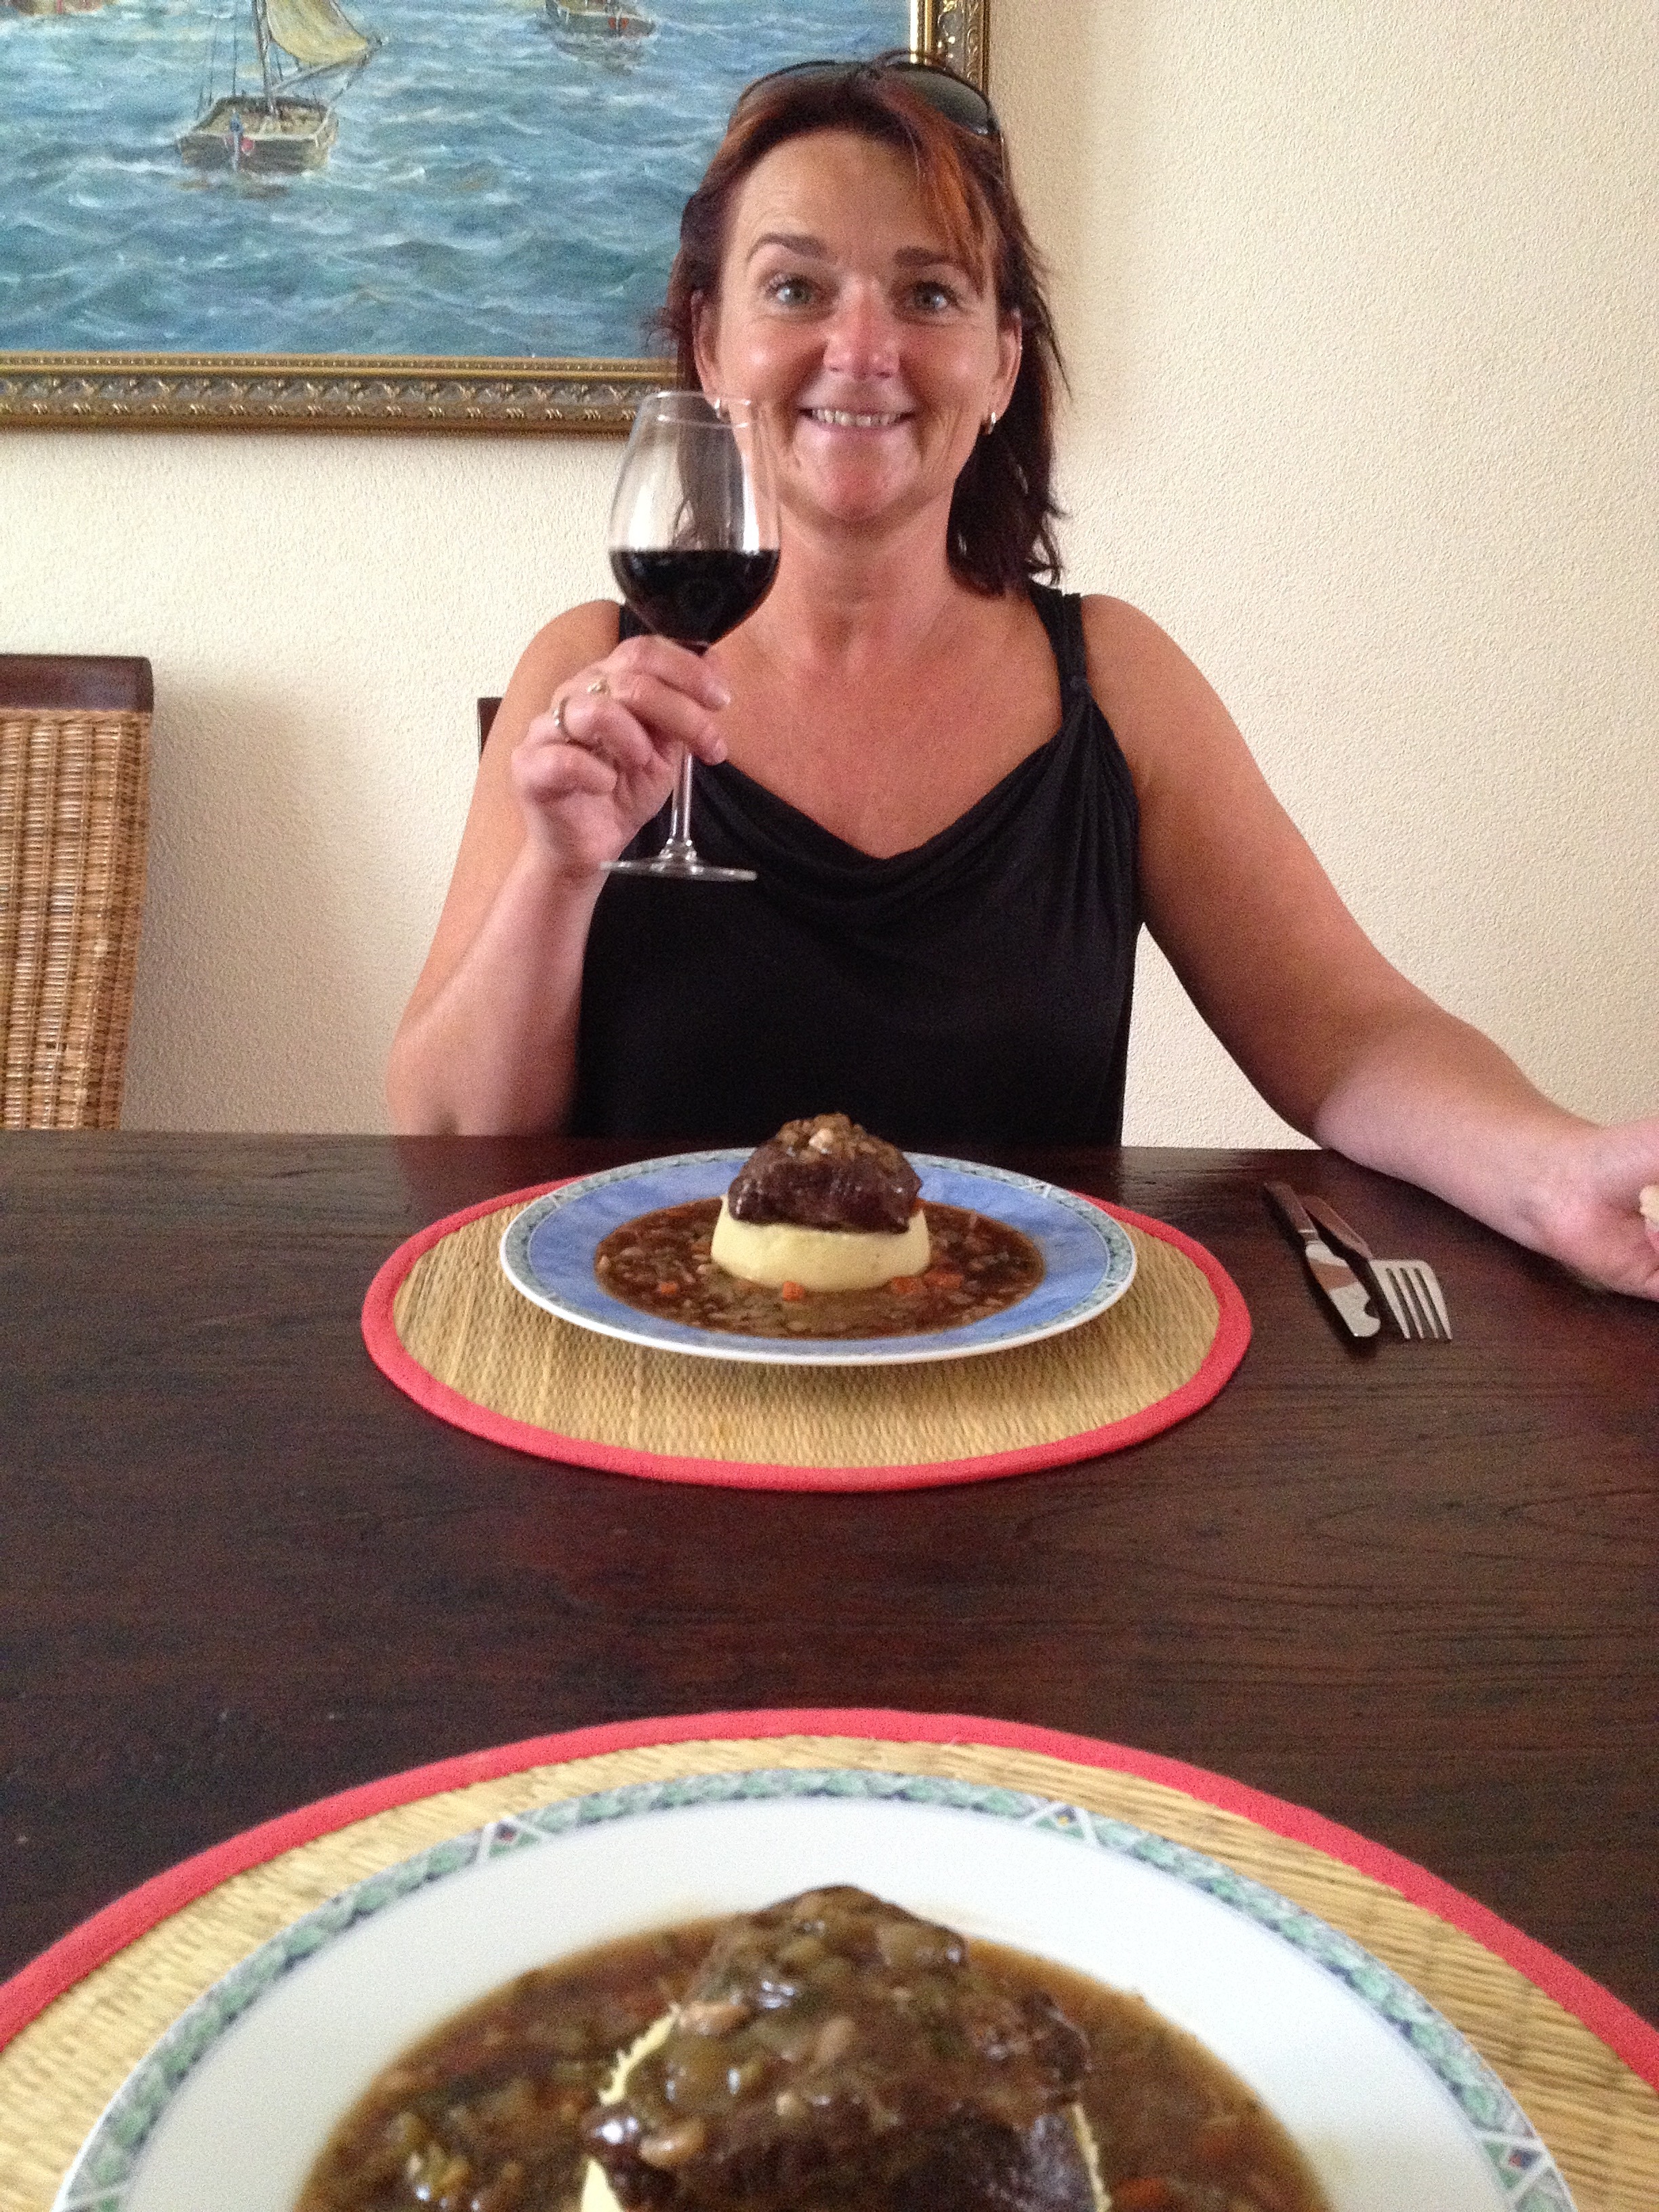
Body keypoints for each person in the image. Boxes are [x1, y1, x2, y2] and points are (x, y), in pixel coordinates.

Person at [387, 54, 1659, 1302]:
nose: (862, 346)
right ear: (711, 346)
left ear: (1001, 364)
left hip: (1028, 1407)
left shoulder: (1116, 683)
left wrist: (1552, 1175)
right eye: (796, 288)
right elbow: (445, 1145)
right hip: (643, 1402)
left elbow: (1348, 1035)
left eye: (929, 294)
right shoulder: (588, 672)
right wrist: (559, 875)